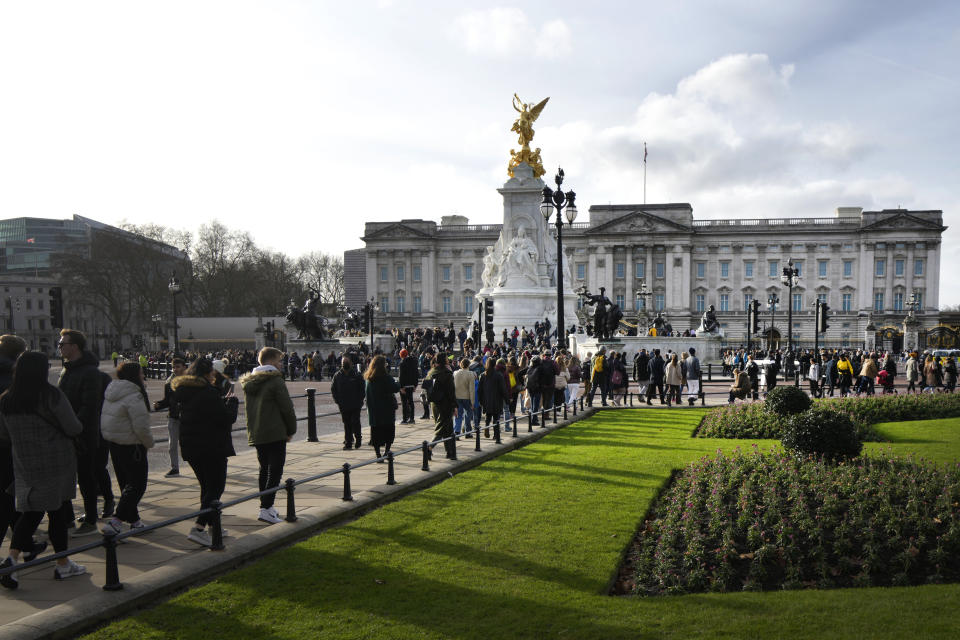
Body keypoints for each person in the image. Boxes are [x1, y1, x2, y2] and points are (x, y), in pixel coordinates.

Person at [0, 352, 87, 587]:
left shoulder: (7, 400)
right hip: (56, 460)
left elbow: (4, 435)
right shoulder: (50, 395)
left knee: (32, 512)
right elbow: (73, 426)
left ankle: (12, 559)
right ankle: (62, 564)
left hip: (25, 462)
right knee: (56, 512)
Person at [174, 358, 239, 547]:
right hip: (211, 445)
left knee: (206, 486)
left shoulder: (184, 391)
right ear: (206, 373)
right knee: (216, 487)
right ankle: (199, 528)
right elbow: (226, 418)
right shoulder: (207, 392)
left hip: (192, 445)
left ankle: (213, 524)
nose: (214, 375)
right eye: (212, 372)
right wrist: (232, 403)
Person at [0, 336, 46, 562]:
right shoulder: (12, 379)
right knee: (12, 501)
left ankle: (25, 544)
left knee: (14, 501)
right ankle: (22, 546)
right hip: (11, 445)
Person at [241, 347, 297, 525]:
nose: (281, 364)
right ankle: (266, 507)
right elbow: (287, 408)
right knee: (275, 470)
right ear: (271, 362)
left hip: (258, 432)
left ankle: (266, 506)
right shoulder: (275, 381)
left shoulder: (250, 382)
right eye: (279, 361)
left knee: (264, 469)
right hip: (275, 431)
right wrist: (291, 429)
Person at [56, 329, 103, 536]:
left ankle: (91, 519)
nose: (60, 346)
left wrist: (72, 426)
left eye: (62, 343)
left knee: (86, 478)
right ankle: (66, 520)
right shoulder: (66, 370)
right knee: (63, 478)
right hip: (65, 432)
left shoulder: (90, 372)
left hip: (83, 434)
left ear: (74, 346)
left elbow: (89, 405)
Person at [99, 363, 154, 536]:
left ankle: (135, 522)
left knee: (126, 484)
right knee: (137, 485)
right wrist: (148, 442)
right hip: (133, 445)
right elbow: (141, 425)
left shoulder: (112, 391)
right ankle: (116, 521)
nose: (143, 375)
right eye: (141, 373)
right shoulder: (134, 395)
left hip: (115, 443)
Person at [364, 354, 401, 461]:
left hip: (374, 411)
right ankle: (386, 451)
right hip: (387, 410)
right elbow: (395, 387)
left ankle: (378, 454)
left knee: (376, 433)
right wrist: (397, 382)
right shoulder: (386, 377)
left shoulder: (368, 379)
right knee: (388, 432)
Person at [154, 357, 187, 477]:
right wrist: (159, 405)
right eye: (173, 367)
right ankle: (175, 468)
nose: (175, 369)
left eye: (178, 367)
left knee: (190, 443)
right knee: (172, 445)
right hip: (173, 416)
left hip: (188, 417)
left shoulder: (191, 380)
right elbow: (168, 400)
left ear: (184, 367)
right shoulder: (168, 382)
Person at [424, 354, 457, 459]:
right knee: (442, 428)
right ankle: (429, 447)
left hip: (434, 404)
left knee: (448, 429)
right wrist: (455, 406)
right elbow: (451, 392)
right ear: (445, 361)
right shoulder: (447, 374)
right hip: (445, 404)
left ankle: (450, 452)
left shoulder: (431, 372)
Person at [331, 357, 365, 450]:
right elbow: (333, 389)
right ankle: (348, 442)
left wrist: (360, 400)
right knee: (347, 424)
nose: (345, 364)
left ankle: (358, 439)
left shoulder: (356, 375)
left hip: (355, 404)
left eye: (347, 362)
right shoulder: (337, 375)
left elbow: (362, 388)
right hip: (343, 404)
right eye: (343, 362)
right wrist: (337, 400)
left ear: (351, 363)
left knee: (355, 422)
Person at [478, 357, 508, 439]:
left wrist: (480, 400)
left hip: (486, 400)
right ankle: (496, 434)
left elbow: (480, 390)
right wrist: (507, 399)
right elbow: (503, 389)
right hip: (497, 400)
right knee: (496, 418)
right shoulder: (499, 375)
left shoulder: (483, 375)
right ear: (495, 365)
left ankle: (486, 428)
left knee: (488, 416)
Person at [453, 359, 476, 437]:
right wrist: (473, 402)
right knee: (468, 415)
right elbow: (472, 390)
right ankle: (468, 432)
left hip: (457, 397)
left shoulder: (456, 373)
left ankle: (456, 431)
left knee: (458, 415)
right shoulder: (470, 374)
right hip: (467, 397)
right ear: (468, 365)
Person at [397, 349, 419, 424]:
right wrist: (415, 385)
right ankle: (412, 418)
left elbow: (401, 376)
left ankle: (405, 418)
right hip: (411, 385)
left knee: (404, 403)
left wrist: (401, 386)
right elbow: (416, 373)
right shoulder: (413, 362)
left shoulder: (402, 363)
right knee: (411, 402)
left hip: (404, 386)